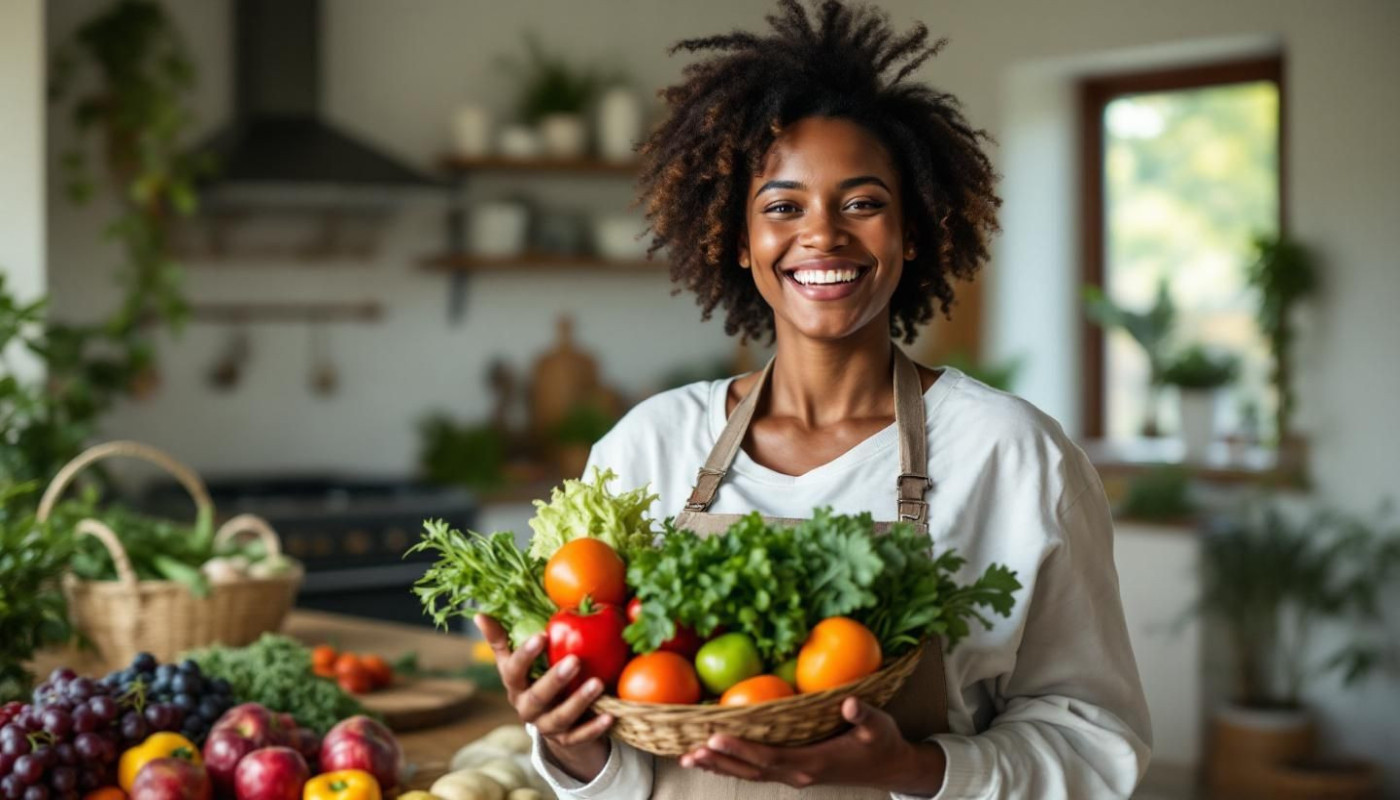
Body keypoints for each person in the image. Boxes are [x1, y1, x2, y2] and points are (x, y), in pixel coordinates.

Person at [473, 1, 1152, 797]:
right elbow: (628, 765)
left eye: (862, 203)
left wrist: (916, 768)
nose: (822, 235)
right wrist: (571, 741)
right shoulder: (648, 447)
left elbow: (1096, 744)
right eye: (782, 207)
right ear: (738, 238)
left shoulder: (1012, 453)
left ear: (913, 232)